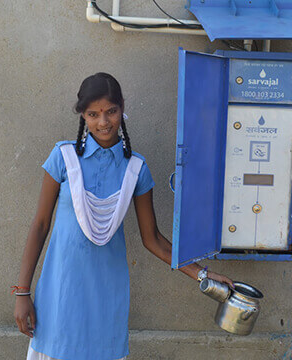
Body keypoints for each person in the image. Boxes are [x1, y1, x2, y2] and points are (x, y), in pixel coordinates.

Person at [12, 72, 233, 360]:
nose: (103, 122)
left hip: (107, 293)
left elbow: (153, 239)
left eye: (111, 112)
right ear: (83, 116)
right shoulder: (63, 158)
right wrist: (22, 292)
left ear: (122, 108)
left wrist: (203, 274)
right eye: (93, 114)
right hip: (60, 289)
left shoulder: (136, 170)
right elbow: (40, 226)